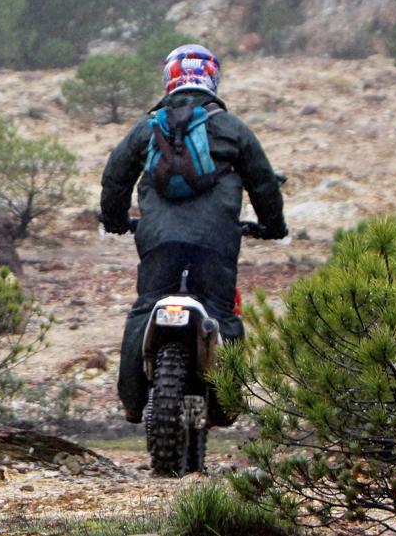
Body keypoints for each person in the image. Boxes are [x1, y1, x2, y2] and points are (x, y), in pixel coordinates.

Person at [98, 44, 286, 426]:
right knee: (222, 313)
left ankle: (133, 401)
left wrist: (115, 221)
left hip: (158, 240)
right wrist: (273, 227)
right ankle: (226, 402)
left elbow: (115, 177)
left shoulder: (148, 127)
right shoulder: (232, 128)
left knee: (145, 307)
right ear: (212, 79)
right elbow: (264, 184)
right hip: (215, 243)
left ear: (169, 78)